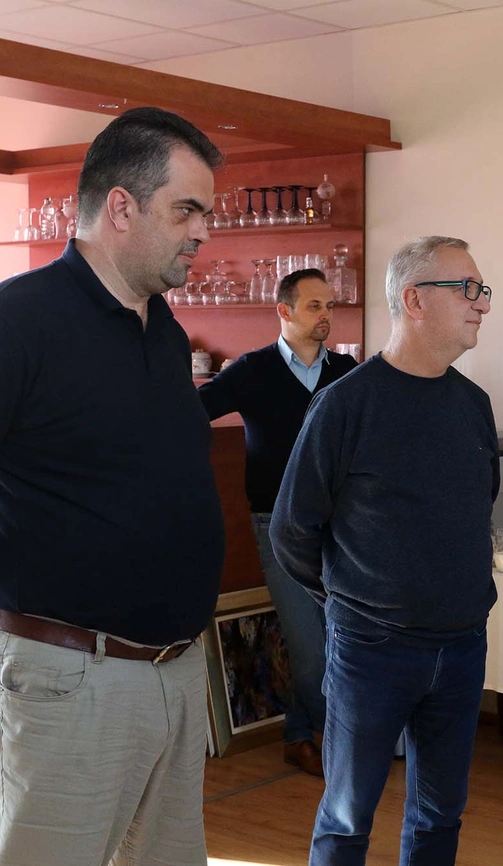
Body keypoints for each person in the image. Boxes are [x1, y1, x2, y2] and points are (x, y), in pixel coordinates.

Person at [0, 107, 226, 866]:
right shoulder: (13, 325)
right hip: (68, 682)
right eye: (186, 210)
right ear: (122, 207)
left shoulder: (163, 331)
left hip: (172, 675)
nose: (203, 230)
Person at [270, 236, 498, 866]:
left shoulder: (473, 405)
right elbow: (291, 530)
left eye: (482, 290)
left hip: (461, 645)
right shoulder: (345, 404)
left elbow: (474, 510)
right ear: (414, 300)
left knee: (440, 815)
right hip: (372, 650)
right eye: (468, 289)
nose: (482, 303)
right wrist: (352, 601)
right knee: (347, 818)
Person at [198, 267, 358, 778]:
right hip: (277, 524)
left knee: (339, 639)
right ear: (284, 311)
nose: (326, 315)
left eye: (330, 306)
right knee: (310, 649)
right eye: (315, 306)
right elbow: (190, 413)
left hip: (341, 528)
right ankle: (341, 746)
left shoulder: (346, 370)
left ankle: (298, 735)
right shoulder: (253, 370)